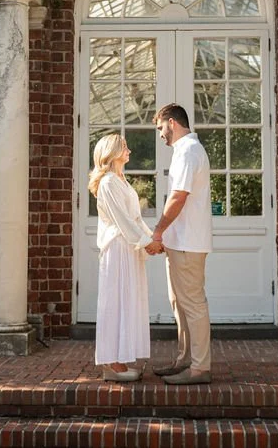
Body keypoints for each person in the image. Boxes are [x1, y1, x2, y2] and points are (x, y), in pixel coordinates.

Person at [88, 133, 162, 382]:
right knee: (114, 302)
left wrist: (152, 239)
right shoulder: (108, 182)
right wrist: (146, 242)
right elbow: (121, 220)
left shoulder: (121, 181)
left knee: (127, 301)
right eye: (124, 146)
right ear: (112, 152)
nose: (129, 149)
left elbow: (135, 219)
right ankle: (111, 363)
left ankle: (119, 359)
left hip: (129, 248)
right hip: (118, 248)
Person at [150, 103, 213, 385]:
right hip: (179, 242)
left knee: (193, 304)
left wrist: (158, 231)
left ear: (172, 123)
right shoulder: (183, 151)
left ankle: (200, 368)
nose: (161, 134)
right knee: (180, 304)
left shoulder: (188, 151)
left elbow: (178, 197)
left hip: (188, 241)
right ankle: (185, 359)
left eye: (161, 128)